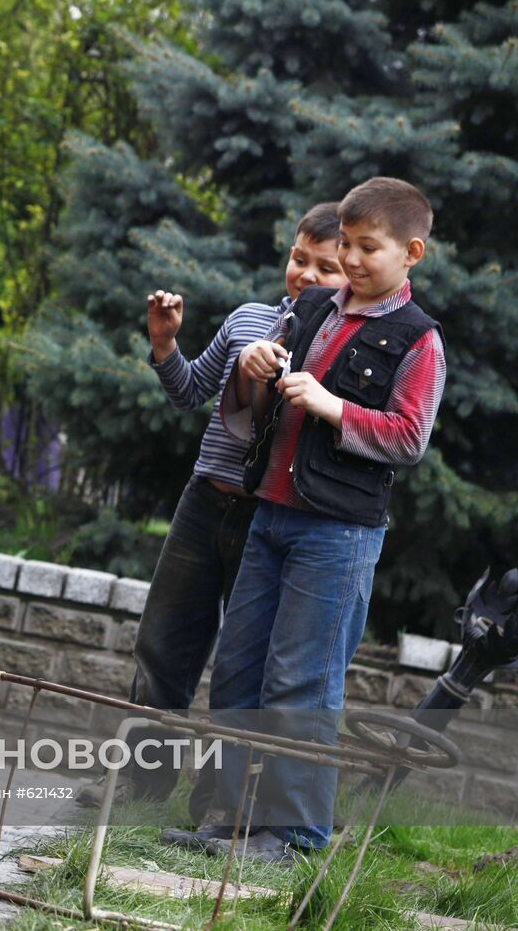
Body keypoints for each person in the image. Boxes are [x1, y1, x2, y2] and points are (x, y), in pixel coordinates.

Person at [169, 177, 445, 862]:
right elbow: (259, 401)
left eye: (367, 248)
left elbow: (409, 438)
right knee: (237, 669)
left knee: (301, 680)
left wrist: (330, 405)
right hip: (270, 513)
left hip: (339, 534)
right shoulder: (314, 307)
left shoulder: (419, 340)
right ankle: (229, 821)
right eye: (345, 244)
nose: (350, 260)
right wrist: (257, 365)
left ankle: (292, 837)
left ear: (411, 252)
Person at [79, 204, 346, 817]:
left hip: (269, 517)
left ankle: (217, 805)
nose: (305, 274)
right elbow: (189, 390)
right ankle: (139, 782)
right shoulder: (248, 318)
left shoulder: (337, 348)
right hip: (205, 502)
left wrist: (285, 373)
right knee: (163, 645)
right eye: (299, 259)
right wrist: (165, 342)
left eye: (325, 268)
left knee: (242, 666)